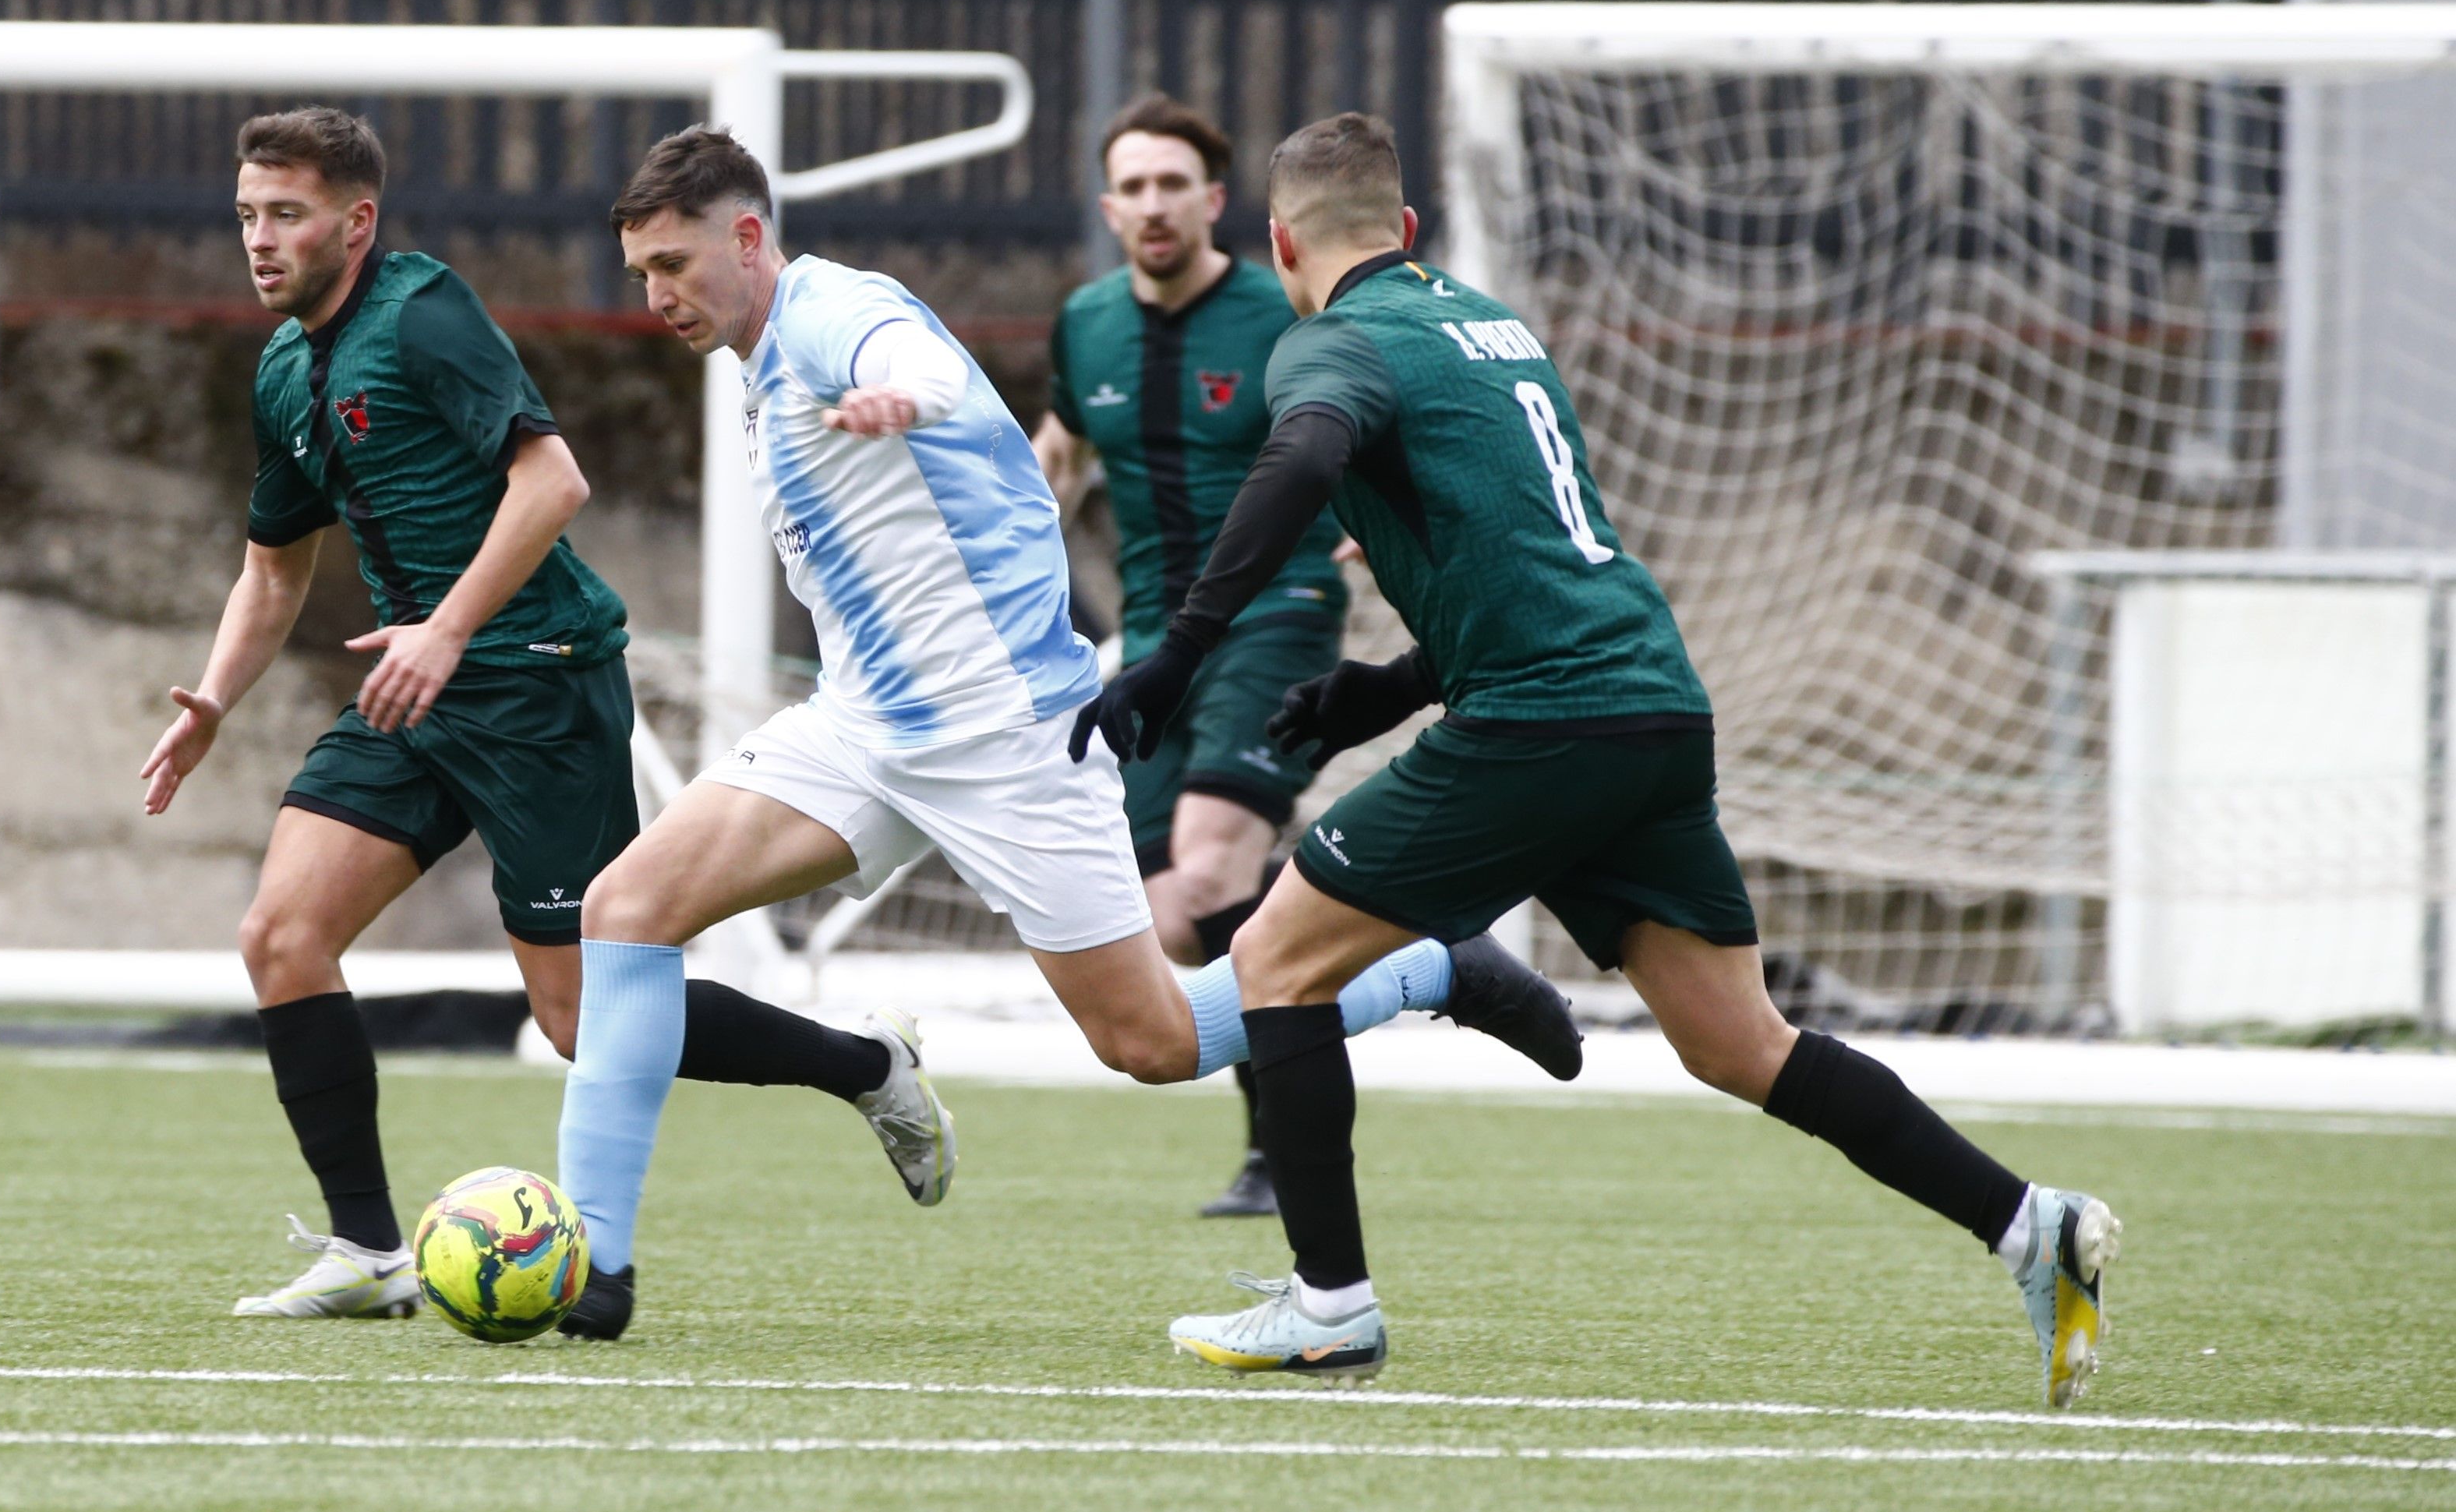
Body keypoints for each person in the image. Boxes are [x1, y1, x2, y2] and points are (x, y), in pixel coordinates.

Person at [1079, 112, 2124, 1406]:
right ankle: (2029, 1223)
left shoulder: (1331, 340)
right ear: (1406, 232)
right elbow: (1532, 565)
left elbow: (1300, 452)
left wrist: (1175, 656)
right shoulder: (1490, 325)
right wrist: (1383, 690)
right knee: (1741, 1043)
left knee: (1277, 963)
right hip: (1648, 712)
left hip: (1540, 723)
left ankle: (1329, 1305)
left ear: (1279, 242)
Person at [550, 124, 1586, 1341]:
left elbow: (911, 360)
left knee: (1150, 1039)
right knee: (624, 911)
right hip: (862, 728)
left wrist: (904, 394)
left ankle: (1434, 967)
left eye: (674, 263)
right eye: (641, 277)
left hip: (1008, 738)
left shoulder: (837, 313)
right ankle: (593, 1271)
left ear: (746, 236)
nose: (659, 295)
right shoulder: (759, 355)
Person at [143, 107, 944, 1320]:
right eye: (247, 214)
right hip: (411, 683)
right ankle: (368, 1252)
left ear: (355, 222)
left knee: (578, 1017)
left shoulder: (420, 311)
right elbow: (273, 569)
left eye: (287, 214)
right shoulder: (285, 367)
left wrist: (450, 626)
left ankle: (864, 1063)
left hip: (536, 673)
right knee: (280, 936)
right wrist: (212, 697)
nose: (260, 238)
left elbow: (552, 479)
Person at [1033, 94, 1351, 1217]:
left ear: (1215, 202)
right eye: (1136, 186)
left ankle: (1396, 985)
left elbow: (1376, 420)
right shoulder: (1086, 323)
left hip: (1278, 614)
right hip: (1156, 641)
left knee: (1210, 868)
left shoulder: (1282, 311)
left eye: (1177, 184)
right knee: (1171, 915)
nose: (1155, 205)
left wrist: (1390, 514)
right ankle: (1382, 947)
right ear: (1109, 205)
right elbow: (1059, 462)